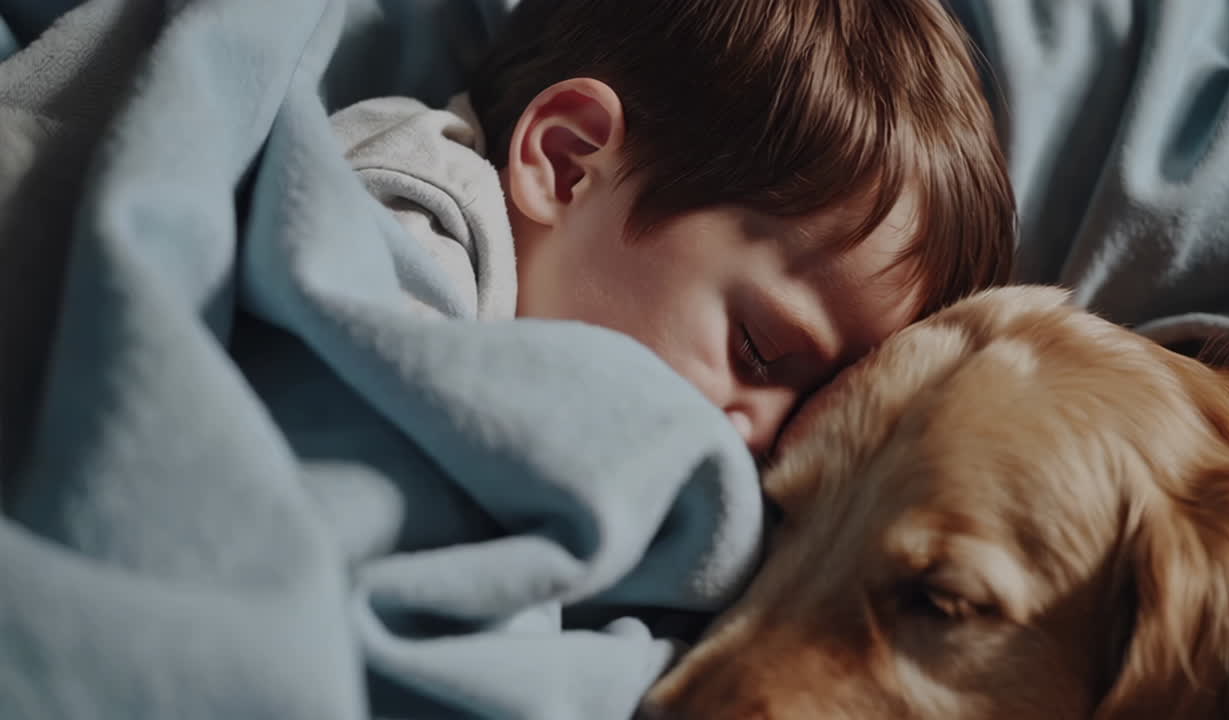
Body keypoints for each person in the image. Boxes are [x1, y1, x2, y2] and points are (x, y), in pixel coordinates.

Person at [330, 0, 1015, 461]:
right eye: (759, 351)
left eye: (816, 401)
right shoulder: (412, 221)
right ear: (569, 165)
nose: (769, 440)